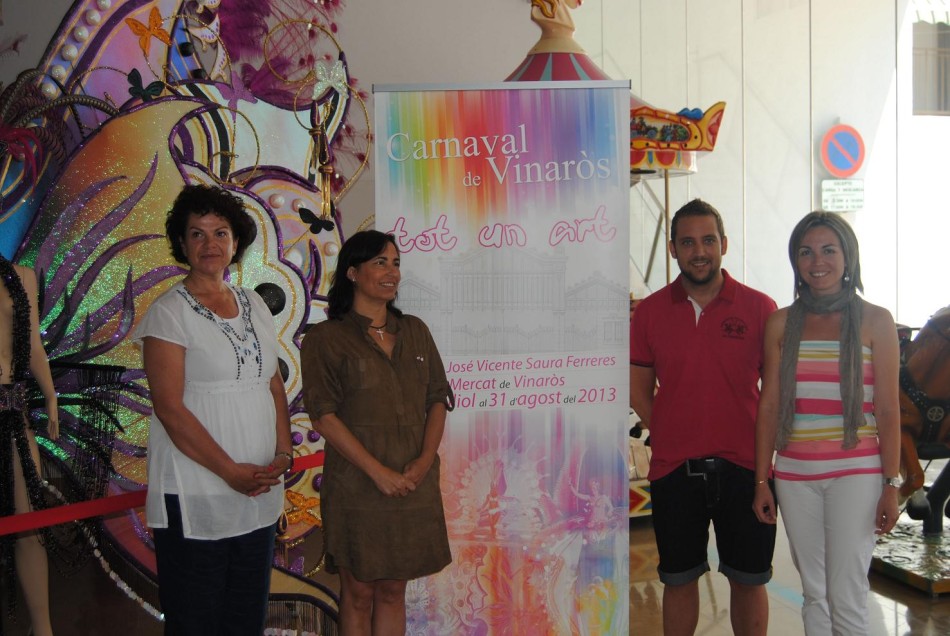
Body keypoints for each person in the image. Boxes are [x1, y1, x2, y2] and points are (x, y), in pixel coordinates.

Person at [134, 184, 292, 635]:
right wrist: (228, 471)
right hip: (196, 491)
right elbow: (170, 409)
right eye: (197, 233)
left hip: (258, 490)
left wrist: (283, 453)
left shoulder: (254, 303)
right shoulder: (168, 312)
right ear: (181, 244)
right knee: (196, 621)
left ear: (236, 242)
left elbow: (272, 383)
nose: (210, 244)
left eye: (220, 232)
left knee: (245, 619)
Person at [629, 199, 777, 636]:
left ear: (724, 244)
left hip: (748, 471)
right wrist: (673, 430)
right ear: (673, 249)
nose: (699, 251)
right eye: (688, 242)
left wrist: (764, 469)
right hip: (674, 471)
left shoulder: (761, 309)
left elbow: (775, 395)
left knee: (749, 579)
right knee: (678, 579)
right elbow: (639, 390)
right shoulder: (650, 313)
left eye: (708, 240)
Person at [752, 211, 900, 635]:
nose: (817, 261)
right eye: (806, 252)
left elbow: (888, 410)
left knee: (846, 590)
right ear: (795, 260)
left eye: (829, 250)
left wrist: (891, 485)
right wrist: (762, 480)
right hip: (794, 473)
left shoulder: (876, 321)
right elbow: (769, 405)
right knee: (814, 591)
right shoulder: (780, 323)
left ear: (848, 256)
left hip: (856, 472)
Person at [301, 230, 453, 635]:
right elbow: (323, 416)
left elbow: (438, 398)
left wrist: (424, 461)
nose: (392, 272)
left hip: (412, 482)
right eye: (380, 263)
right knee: (358, 594)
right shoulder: (326, 338)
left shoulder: (415, 330)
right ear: (352, 272)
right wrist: (378, 473)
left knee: (392, 591)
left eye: (396, 263)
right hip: (357, 487)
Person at [0, 254, 58, 636]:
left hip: (13, 412)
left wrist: (50, 395)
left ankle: (43, 628)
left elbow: (34, 345)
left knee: (29, 521)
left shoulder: (21, 276)